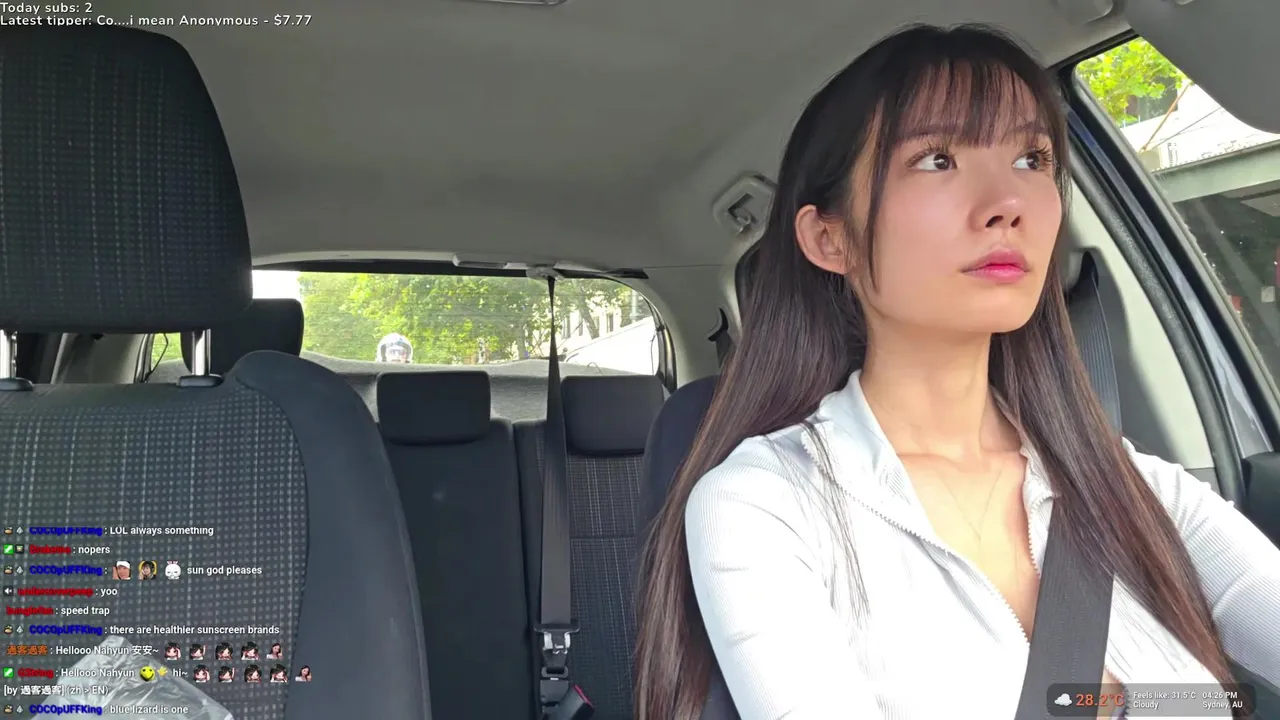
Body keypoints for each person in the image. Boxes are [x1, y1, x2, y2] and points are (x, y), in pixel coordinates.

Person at [633, 23, 1280, 720]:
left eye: (1032, 159)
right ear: (830, 238)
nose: (1008, 203)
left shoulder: (1126, 484)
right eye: (937, 159)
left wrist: (1113, 701)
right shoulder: (763, 505)